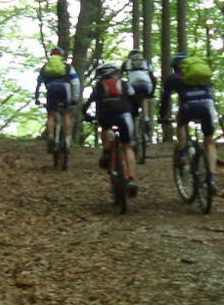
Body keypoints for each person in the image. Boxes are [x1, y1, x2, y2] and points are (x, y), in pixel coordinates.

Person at [81, 64, 138, 196]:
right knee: (127, 147)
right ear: (116, 74)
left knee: (105, 128)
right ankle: (131, 179)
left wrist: (87, 116)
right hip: (125, 116)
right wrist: (134, 113)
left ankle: (107, 152)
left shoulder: (99, 87)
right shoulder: (125, 85)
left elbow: (87, 104)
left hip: (106, 116)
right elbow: (135, 101)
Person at [168, 53, 219, 190]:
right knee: (209, 142)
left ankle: (183, 151)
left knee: (181, 124)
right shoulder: (201, 75)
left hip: (188, 106)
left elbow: (165, 99)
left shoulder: (173, 78)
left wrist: (162, 117)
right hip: (207, 106)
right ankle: (212, 176)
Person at [34, 47, 81, 153]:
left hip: (51, 88)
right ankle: (68, 141)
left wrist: (37, 98)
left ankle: (50, 137)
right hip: (65, 88)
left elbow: (39, 83)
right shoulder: (68, 67)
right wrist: (75, 98)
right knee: (66, 114)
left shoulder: (46, 67)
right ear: (62, 56)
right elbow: (76, 83)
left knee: (51, 115)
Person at [122, 50, 156, 145]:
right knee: (145, 98)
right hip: (146, 85)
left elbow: (119, 77)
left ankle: (133, 138)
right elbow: (153, 78)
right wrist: (151, 93)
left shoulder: (126, 63)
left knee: (132, 113)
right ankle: (146, 118)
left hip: (132, 86)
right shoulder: (146, 63)